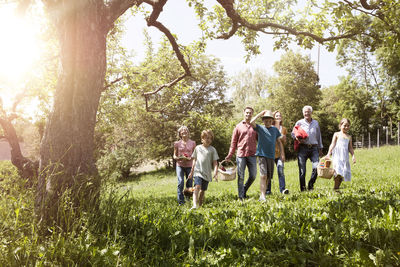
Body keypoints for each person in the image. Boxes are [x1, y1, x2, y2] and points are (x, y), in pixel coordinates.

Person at [250, 110, 285, 202]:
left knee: (268, 177)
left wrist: (282, 154)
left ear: (272, 121)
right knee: (263, 176)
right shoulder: (260, 128)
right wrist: (260, 114)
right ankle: (262, 195)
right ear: (263, 121)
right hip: (261, 155)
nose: (268, 122)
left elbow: (279, 142)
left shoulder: (275, 130)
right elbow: (251, 122)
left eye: (270, 120)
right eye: (266, 120)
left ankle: (264, 192)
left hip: (271, 156)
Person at [225, 107, 258, 200]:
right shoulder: (238, 126)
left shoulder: (255, 126)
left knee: (253, 175)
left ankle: (244, 189)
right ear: (243, 113)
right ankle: (241, 196)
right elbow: (233, 142)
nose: (248, 114)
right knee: (241, 176)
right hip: (241, 155)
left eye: (250, 113)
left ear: (252, 114)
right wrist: (230, 155)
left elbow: (260, 140)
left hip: (252, 155)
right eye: (247, 112)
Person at [291, 105, 323, 191]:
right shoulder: (299, 122)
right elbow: (293, 133)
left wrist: (320, 148)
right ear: (303, 113)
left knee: (316, 167)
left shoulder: (316, 123)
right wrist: (296, 138)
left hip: (314, 148)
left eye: (308, 111)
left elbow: (319, 136)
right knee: (302, 171)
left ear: (311, 112)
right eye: (305, 112)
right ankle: (303, 189)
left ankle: (310, 184)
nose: (307, 113)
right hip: (303, 148)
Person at [188, 129, 219, 209]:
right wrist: (191, 172)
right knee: (197, 187)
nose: (208, 140)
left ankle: (200, 205)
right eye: (206, 138)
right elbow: (194, 160)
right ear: (202, 139)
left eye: (210, 138)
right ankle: (194, 205)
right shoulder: (198, 148)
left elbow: (215, 163)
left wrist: (215, 173)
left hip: (207, 173)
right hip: (198, 171)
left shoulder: (212, 150)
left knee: (202, 191)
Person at [326, 118, 356, 190]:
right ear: (340, 125)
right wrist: (328, 154)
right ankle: (335, 188)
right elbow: (332, 144)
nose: (346, 127)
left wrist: (353, 156)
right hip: (337, 156)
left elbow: (350, 148)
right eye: (344, 125)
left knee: (342, 173)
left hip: (344, 157)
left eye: (348, 126)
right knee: (337, 171)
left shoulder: (349, 137)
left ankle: (337, 188)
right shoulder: (337, 134)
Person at [266, 110, 289, 195]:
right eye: (276, 116)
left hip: (279, 153)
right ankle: (268, 191)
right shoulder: (269, 128)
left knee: (280, 170)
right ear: (273, 118)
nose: (278, 117)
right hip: (270, 154)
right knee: (269, 173)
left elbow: (284, 142)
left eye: (279, 116)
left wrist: (280, 137)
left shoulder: (283, 129)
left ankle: (282, 189)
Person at [173, 126, 196, 205]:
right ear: (180, 133)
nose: (184, 131)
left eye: (186, 130)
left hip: (190, 165)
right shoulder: (177, 143)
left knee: (189, 183)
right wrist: (179, 158)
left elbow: (195, 155)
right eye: (182, 130)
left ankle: (188, 200)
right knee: (181, 182)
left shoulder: (193, 143)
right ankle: (181, 202)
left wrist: (190, 158)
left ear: (188, 132)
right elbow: (174, 156)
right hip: (180, 165)